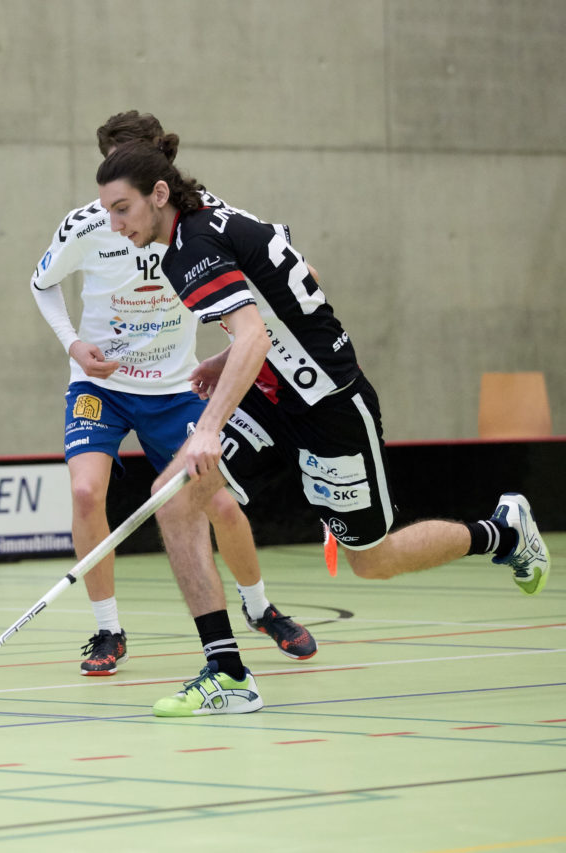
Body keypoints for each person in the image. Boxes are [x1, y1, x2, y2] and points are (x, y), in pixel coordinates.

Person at [95, 139, 550, 717]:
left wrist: (210, 424)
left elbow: (257, 331)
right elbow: (298, 276)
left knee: (372, 558)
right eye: (108, 211)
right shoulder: (212, 214)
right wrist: (229, 357)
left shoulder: (189, 247)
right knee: (176, 497)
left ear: (159, 195)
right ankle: (228, 671)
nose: (114, 225)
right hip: (270, 394)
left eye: (122, 208)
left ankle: (503, 533)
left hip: (330, 406)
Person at [30, 111, 316, 676]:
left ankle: (260, 609)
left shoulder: (200, 222)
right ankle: (108, 629)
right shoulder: (87, 226)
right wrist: (72, 346)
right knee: (87, 494)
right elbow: (41, 284)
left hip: (175, 387)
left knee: (221, 504)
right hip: (100, 386)